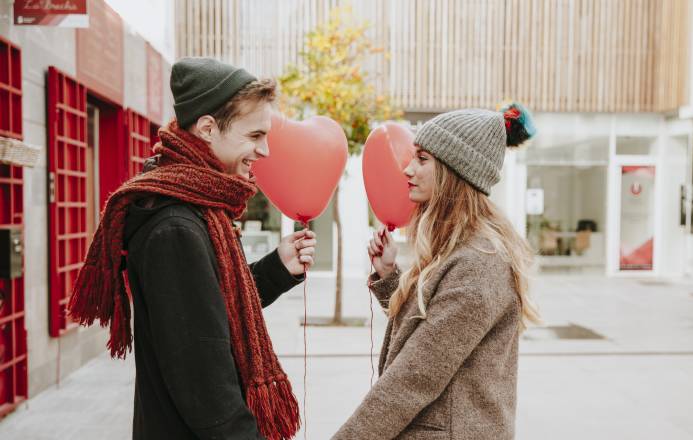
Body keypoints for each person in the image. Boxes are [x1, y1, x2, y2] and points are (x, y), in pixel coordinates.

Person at [68, 57, 313, 440]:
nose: (265, 150)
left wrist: (277, 268)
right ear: (208, 128)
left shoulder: (197, 207)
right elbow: (203, 377)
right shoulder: (176, 226)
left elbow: (212, 310)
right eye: (254, 136)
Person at [333, 104, 541, 439]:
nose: (407, 169)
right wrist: (390, 279)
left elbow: (414, 377)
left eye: (422, 159)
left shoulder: (479, 263)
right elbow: (429, 330)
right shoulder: (458, 247)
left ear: (453, 171)